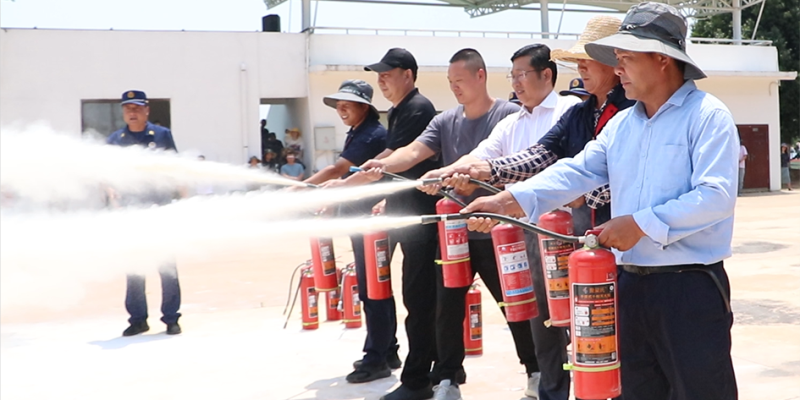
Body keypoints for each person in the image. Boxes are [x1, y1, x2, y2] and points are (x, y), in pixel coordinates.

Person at [462, 4, 739, 400]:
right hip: (629, 286)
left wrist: (640, 223)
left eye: (625, 58)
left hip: (689, 288)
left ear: (662, 59)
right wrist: (508, 201)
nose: (618, 68)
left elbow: (716, 196)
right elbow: (576, 170)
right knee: (637, 391)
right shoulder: (623, 126)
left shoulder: (707, 116)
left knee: (701, 390)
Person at [360, 49, 535, 400]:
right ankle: (446, 380)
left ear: (481, 76)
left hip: (496, 231)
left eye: (460, 81)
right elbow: (412, 152)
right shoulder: (445, 120)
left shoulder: (509, 116)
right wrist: (382, 167)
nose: (454, 88)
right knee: (445, 306)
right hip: (453, 232)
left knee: (513, 303)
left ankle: (536, 371)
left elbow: (518, 168)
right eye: (450, 82)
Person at [419, 43, 581, 400]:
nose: (517, 84)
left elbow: (551, 167)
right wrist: (443, 173)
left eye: (522, 75)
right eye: (513, 76)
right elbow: (481, 157)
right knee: (542, 318)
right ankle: (550, 388)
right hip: (525, 235)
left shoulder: (570, 112)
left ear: (547, 75)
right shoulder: (512, 123)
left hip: (566, 234)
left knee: (580, 316)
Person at [442, 15, 630, 236]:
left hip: (627, 236)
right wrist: (485, 171)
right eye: (578, 60)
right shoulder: (579, 113)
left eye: (588, 59)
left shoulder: (631, 109)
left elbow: (629, 174)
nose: (581, 67)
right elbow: (539, 156)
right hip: (587, 236)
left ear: (614, 62)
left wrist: (582, 192)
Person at [327, 48, 443, 400]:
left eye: (387, 73)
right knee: (417, 298)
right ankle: (435, 369)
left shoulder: (417, 108)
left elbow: (395, 160)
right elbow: (385, 159)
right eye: (378, 74)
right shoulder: (400, 111)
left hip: (419, 220)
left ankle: (421, 378)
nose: (381, 80)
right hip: (403, 216)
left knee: (420, 301)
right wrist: (351, 178)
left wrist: (345, 183)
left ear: (407, 74)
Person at [304, 80, 396, 384]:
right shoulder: (359, 132)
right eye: (338, 104)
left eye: (348, 104)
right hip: (362, 220)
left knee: (374, 288)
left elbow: (337, 171)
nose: (341, 109)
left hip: (370, 222)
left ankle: (377, 358)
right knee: (376, 286)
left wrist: (304, 188)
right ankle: (389, 349)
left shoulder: (370, 135)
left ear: (365, 107)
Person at [106, 90, 182, 336]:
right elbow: (106, 173)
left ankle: (171, 318)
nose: (132, 112)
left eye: (137, 108)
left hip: (159, 209)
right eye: (128, 108)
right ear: (122, 111)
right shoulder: (115, 140)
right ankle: (138, 319)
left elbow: (176, 168)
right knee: (135, 267)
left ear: (147, 110)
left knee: (166, 266)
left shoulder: (161, 135)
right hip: (131, 212)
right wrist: (111, 191)